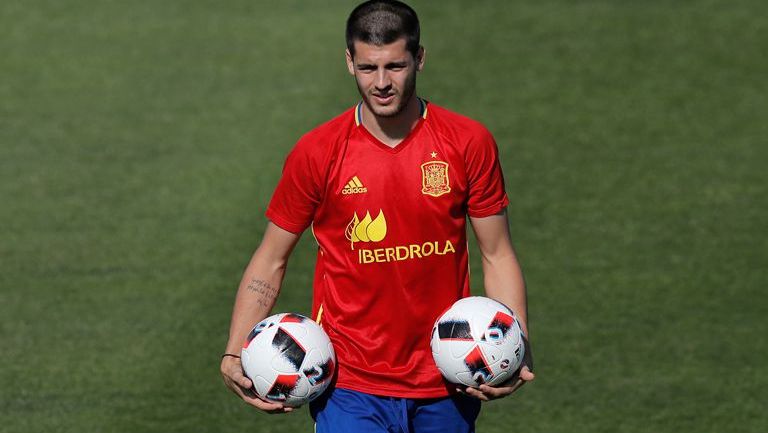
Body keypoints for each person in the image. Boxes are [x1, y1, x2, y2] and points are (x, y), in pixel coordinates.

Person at [220, 1, 534, 431]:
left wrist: (517, 345)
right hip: (349, 382)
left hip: (446, 377)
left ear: (419, 58)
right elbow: (271, 258)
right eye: (368, 68)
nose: (382, 83)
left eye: (396, 66)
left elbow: (497, 254)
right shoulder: (317, 152)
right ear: (349, 62)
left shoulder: (467, 143)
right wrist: (236, 349)